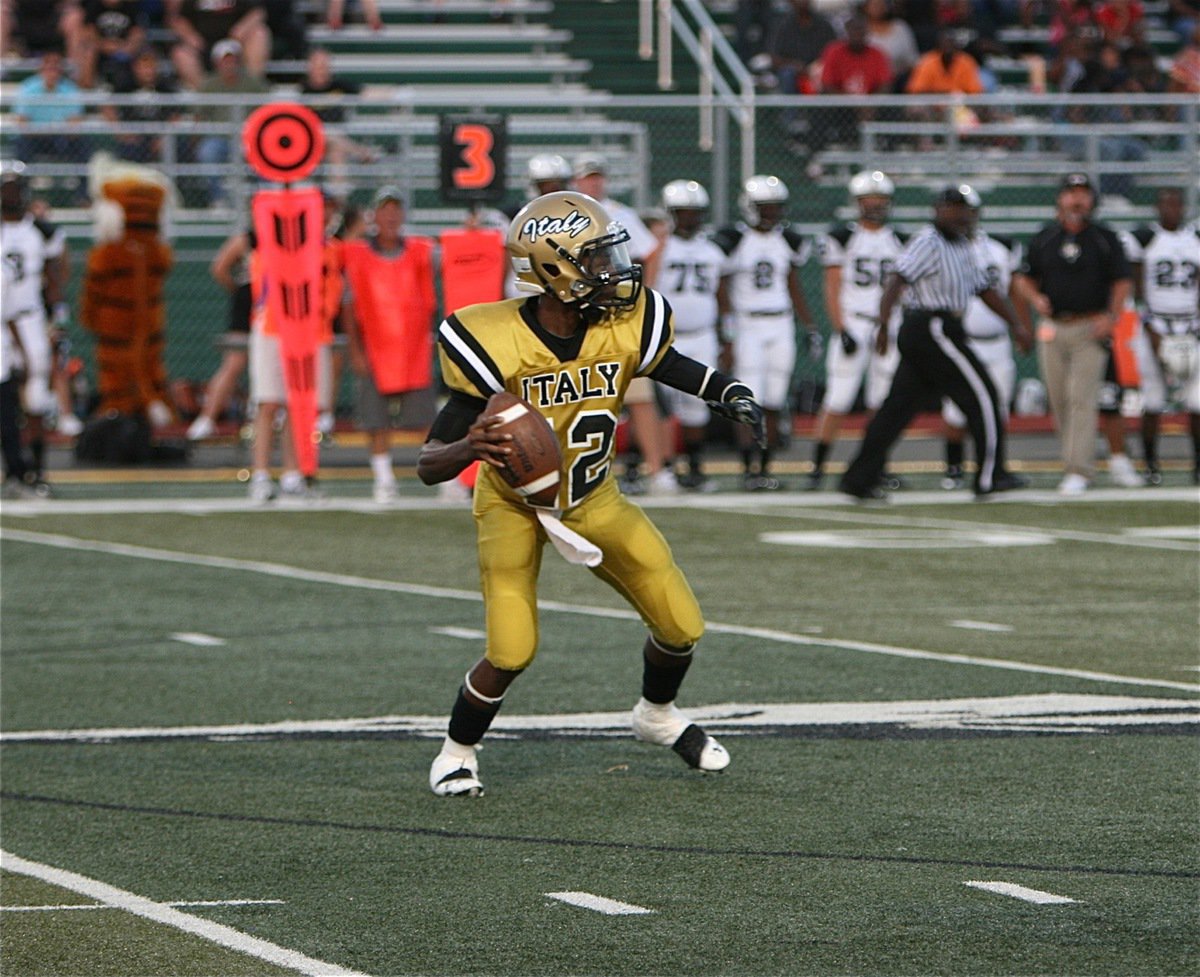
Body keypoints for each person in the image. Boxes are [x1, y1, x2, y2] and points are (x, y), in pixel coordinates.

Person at [417, 190, 767, 797]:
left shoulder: (623, 323)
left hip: (593, 494)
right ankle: (457, 752)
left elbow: (673, 365)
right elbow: (427, 465)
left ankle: (656, 716)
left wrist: (727, 391)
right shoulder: (492, 338)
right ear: (554, 270)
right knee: (512, 646)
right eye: (596, 259)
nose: (614, 271)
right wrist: (470, 447)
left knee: (681, 622)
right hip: (514, 505)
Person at [838, 186, 1030, 501]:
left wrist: (1016, 325)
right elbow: (897, 278)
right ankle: (990, 476)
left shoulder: (964, 244)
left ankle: (858, 478)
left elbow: (985, 288)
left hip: (937, 328)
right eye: (951, 208)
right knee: (984, 396)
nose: (958, 215)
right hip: (933, 325)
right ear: (937, 210)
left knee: (896, 409)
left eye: (963, 208)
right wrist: (883, 325)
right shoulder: (929, 240)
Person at [1013, 172, 1133, 495]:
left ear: (1092, 200)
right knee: (1060, 400)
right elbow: (1024, 278)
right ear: (1060, 199)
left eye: (1082, 193)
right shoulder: (1046, 237)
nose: (1076, 200)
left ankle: (1080, 469)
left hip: (1089, 327)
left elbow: (1122, 281)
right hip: (1053, 327)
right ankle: (1073, 463)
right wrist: (1035, 298)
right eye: (1071, 193)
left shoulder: (1104, 238)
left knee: (1082, 399)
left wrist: (1111, 317)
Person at [572, 153, 674, 492]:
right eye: (588, 177)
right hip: (576, 314)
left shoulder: (619, 214)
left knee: (639, 395)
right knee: (582, 397)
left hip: (615, 315)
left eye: (598, 176)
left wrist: (642, 294)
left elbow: (651, 250)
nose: (595, 182)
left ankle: (657, 470)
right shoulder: (564, 214)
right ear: (576, 181)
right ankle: (590, 470)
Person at [715, 174, 819, 490]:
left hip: (780, 323)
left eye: (775, 207)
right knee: (749, 399)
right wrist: (729, 334)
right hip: (748, 324)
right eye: (765, 207)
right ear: (749, 206)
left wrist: (810, 325)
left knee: (775, 399)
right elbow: (722, 289)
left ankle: (766, 468)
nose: (771, 213)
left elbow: (793, 283)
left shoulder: (788, 240)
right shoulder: (734, 240)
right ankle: (749, 470)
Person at [807, 170, 906, 492]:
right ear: (857, 202)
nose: (876, 205)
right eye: (869, 199)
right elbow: (832, 287)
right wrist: (841, 328)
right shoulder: (843, 237)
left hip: (887, 325)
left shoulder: (901, 239)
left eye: (881, 199)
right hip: (855, 321)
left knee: (884, 401)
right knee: (839, 398)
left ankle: (877, 465)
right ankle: (818, 468)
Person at [342, 186, 437, 504]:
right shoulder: (357, 254)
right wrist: (355, 350)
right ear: (375, 215)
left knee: (425, 418)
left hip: (412, 347)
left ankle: (442, 474)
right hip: (375, 345)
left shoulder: (419, 251)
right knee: (375, 419)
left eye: (397, 209)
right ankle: (383, 477)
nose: (392, 216)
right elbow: (348, 307)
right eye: (385, 209)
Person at [939, 186, 1033, 489]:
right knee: (956, 411)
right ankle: (953, 469)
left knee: (998, 409)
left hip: (997, 340)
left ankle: (994, 468)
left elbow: (1014, 291)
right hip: (962, 340)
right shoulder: (944, 248)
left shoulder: (1001, 248)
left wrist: (1021, 326)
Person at [654, 180, 730, 491]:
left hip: (701, 335)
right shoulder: (657, 249)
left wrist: (729, 336)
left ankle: (696, 468)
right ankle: (657, 466)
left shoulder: (712, 250)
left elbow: (723, 297)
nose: (690, 219)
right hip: (665, 337)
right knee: (659, 405)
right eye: (683, 213)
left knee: (696, 404)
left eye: (695, 213)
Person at [1122, 187, 1200, 484]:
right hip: (1155, 324)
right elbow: (1135, 284)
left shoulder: (1195, 239)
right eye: (1165, 203)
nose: (1171, 209)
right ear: (1157, 207)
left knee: (1197, 402)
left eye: (1176, 203)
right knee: (1152, 401)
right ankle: (1151, 465)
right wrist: (1148, 324)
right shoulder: (1145, 238)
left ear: (1183, 207)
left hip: (1190, 325)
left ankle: (1197, 466)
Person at [0, 159, 69, 495]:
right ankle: (15, 469)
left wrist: (59, 317)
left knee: (36, 395)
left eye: (14, 187)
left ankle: (35, 470)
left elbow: (56, 275)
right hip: (2, 321)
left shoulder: (41, 230)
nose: (10, 194)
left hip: (28, 316)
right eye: (5, 188)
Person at [192, 39, 270, 207]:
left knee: (265, 154)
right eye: (225, 60)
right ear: (217, 63)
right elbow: (199, 116)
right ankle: (218, 199)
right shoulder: (209, 85)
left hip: (249, 137)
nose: (229, 64)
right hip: (219, 137)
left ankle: (265, 198)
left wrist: (256, 132)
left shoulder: (252, 83)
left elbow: (267, 110)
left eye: (232, 60)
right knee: (208, 152)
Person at [168, 0, 270, 89]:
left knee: (260, 33)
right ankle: (205, 95)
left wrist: (241, 29)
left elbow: (258, 12)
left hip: (236, 42)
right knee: (180, 53)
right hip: (204, 46)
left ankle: (252, 87)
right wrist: (191, 36)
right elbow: (178, 19)